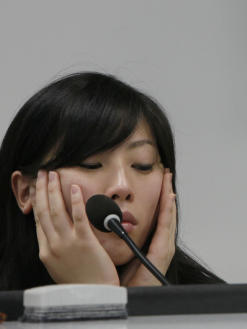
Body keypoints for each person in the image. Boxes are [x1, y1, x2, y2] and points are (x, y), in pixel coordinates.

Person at [0, 72, 222, 290]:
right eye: (91, 164)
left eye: (142, 165)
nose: (122, 186)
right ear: (26, 192)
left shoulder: (217, 309)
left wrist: (145, 302)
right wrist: (97, 294)